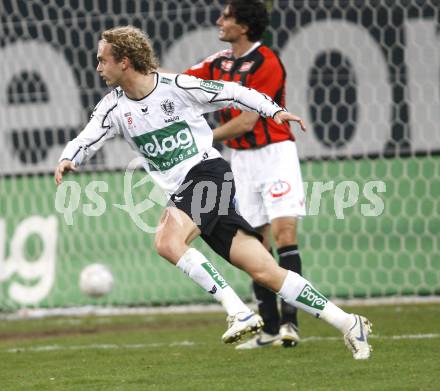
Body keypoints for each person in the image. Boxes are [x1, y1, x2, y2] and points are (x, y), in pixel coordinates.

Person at [54, 25, 372, 360]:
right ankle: (349, 322)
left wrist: (274, 110)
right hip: (189, 190)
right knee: (265, 270)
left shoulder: (177, 86)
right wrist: (67, 158)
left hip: (209, 173)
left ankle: (238, 310)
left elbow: (234, 92)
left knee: (166, 241)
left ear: (125, 61)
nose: (98, 67)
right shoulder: (113, 107)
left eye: (102, 60)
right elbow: (87, 138)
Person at [184, 0, 305, 349]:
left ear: (244, 25)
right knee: (256, 243)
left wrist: (203, 138)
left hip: (275, 154)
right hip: (241, 161)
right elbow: (176, 83)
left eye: (227, 16)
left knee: (284, 233)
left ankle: (290, 324)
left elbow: (250, 119)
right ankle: (268, 329)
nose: (219, 20)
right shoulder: (216, 63)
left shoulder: (267, 61)